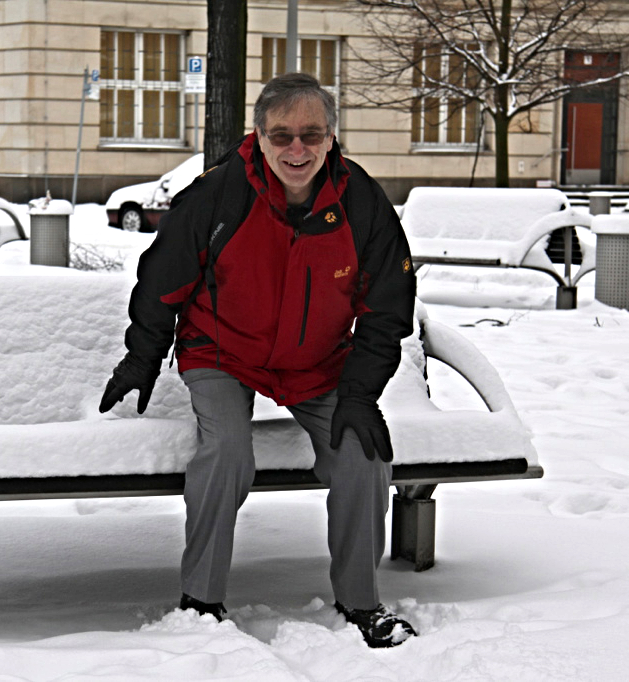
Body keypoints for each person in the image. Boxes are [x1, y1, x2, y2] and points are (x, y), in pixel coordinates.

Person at [99, 72, 418, 648]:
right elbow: (161, 282)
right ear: (260, 136)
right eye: (282, 135)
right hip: (221, 351)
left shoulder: (362, 203)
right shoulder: (218, 194)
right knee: (226, 451)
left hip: (316, 364)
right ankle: (201, 600)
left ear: (330, 138)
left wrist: (359, 395)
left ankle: (362, 603)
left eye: (311, 134)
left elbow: (386, 311)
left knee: (362, 457)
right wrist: (141, 359)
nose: (297, 149)